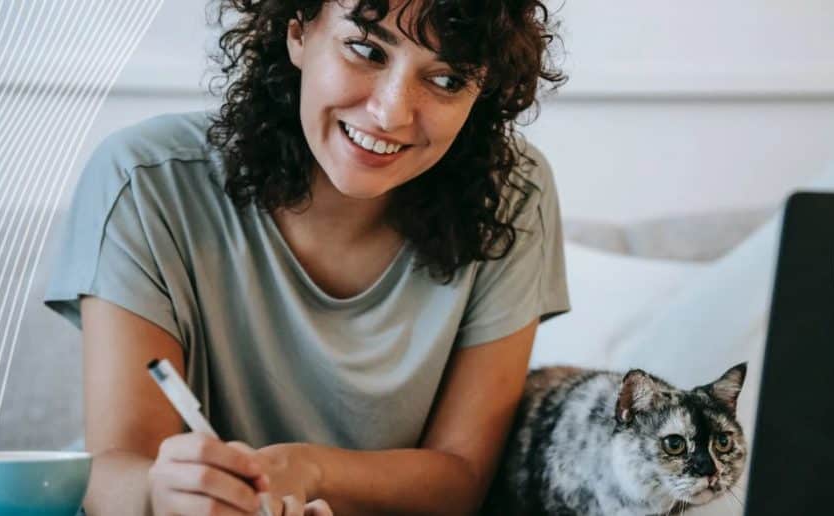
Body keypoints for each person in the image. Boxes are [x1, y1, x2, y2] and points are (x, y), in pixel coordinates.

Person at [43, 0, 568, 514]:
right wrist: (162, 495)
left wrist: (310, 470)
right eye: (365, 49)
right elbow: (113, 471)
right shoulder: (145, 181)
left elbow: (461, 479)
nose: (390, 112)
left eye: (448, 80)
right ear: (297, 31)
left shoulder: (513, 194)